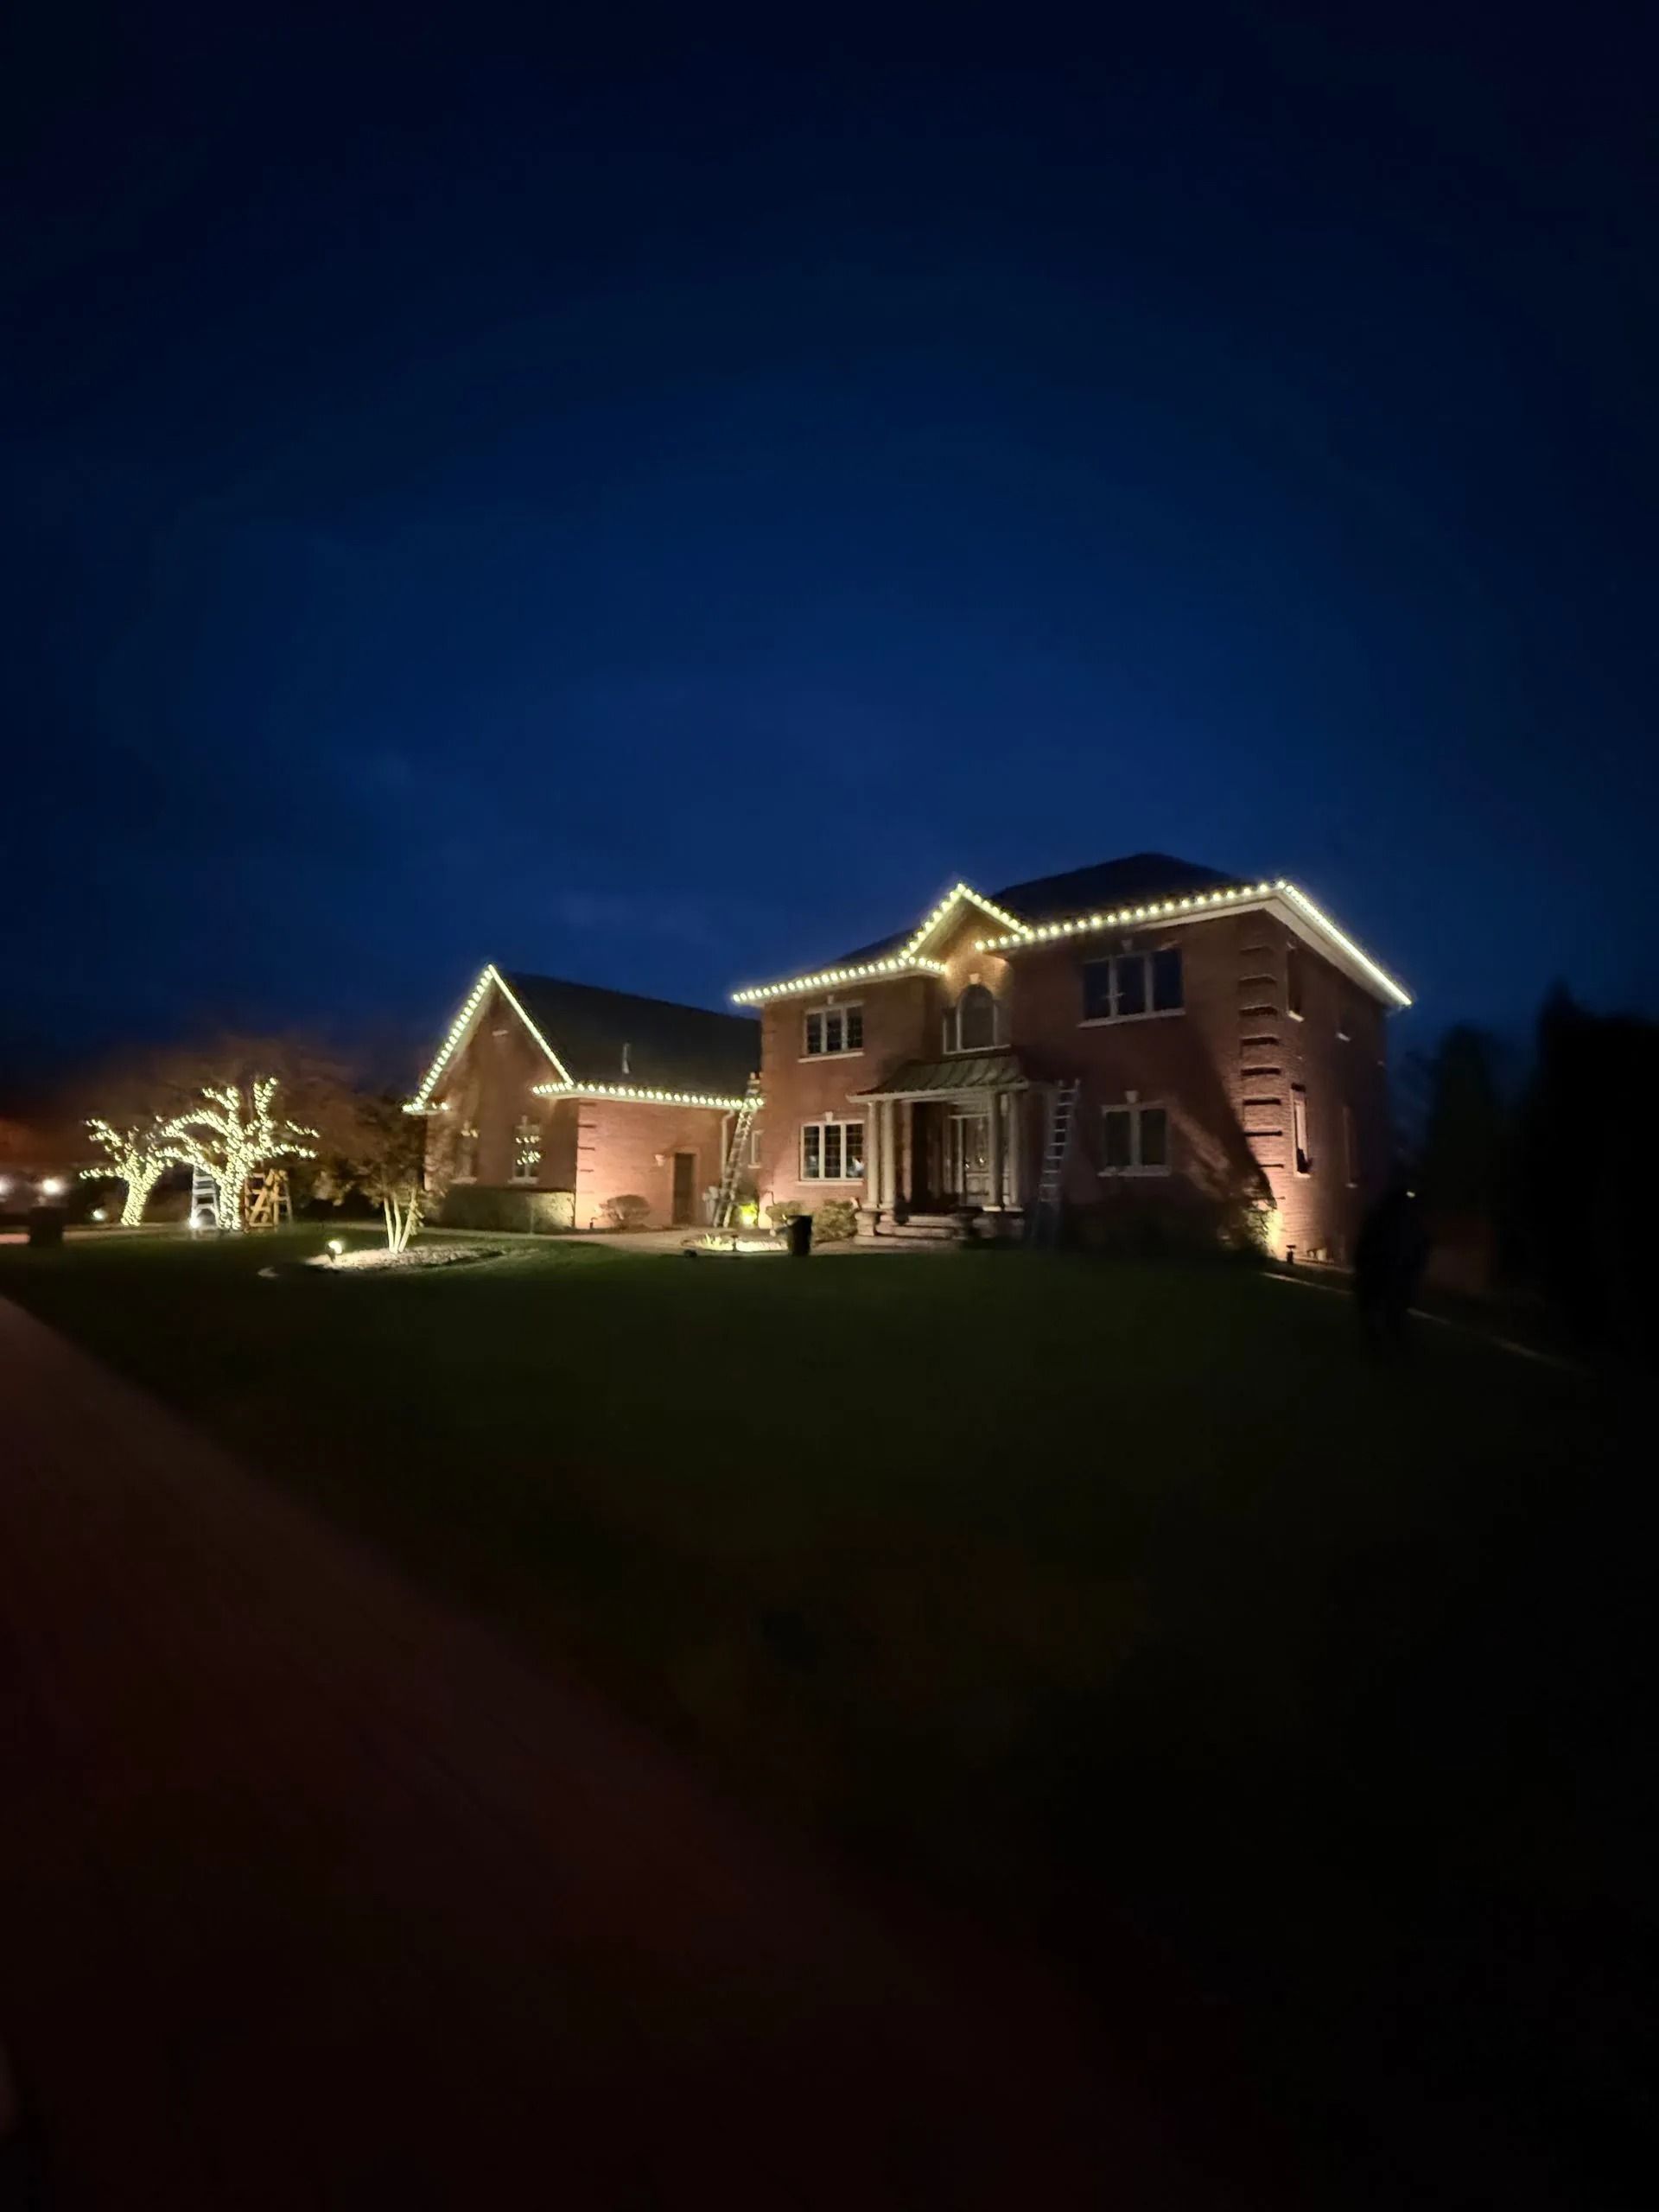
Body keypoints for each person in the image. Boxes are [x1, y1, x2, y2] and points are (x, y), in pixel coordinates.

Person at [1354, 1178, 1430, 1345]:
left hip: (1386, 1273)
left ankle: (1387, 1340)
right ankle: (1383, 1342)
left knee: (1388, 1312)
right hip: (1381, 1272)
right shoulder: (1389, 1219)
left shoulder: (1390, 1218)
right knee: (1385, 1311)